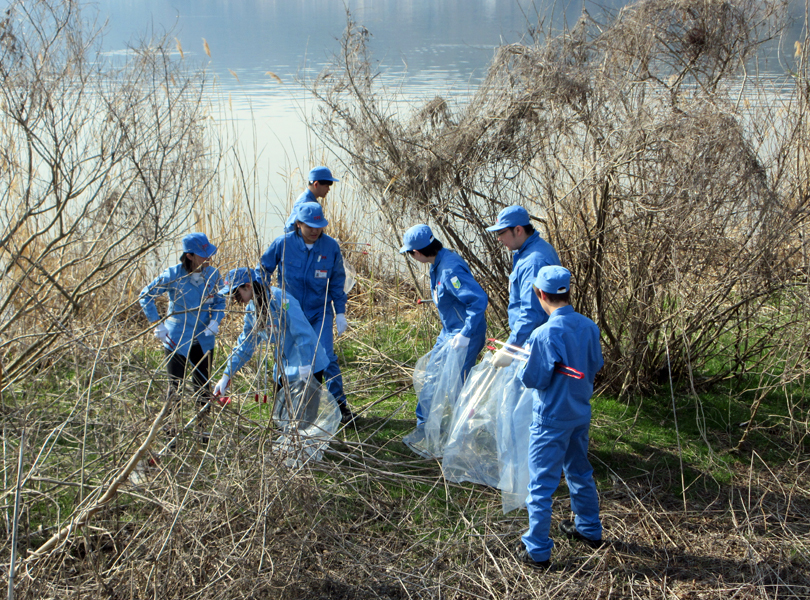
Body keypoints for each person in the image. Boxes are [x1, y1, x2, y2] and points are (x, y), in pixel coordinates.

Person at [515, 266, 604, 569]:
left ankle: (537, 550)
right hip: (579, 413)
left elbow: (532, 379)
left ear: (540, 295)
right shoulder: (589, 327)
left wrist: (522, 362)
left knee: (541, 484)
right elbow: (594, 364)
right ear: (568, 292)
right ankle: (589, 529)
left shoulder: (543, 333)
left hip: (551, 419)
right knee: (579, 471)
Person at [261, 203, 354, 423]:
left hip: (318, 313)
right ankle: (281, 412)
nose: (315, 231)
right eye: (310, 226)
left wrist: (340, 312)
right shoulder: (282, 244)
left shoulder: (330, 247)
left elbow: (338, 280)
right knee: (285, 359)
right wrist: (264, 301)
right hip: (289, 314)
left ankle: (332, 408)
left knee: (322, 358)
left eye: (319, 226)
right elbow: (262, 270)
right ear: (299, 224)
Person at [399, 224, 488, 428]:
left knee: (458, 384)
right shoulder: (438, 263)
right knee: (431, 376)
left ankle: (464, 432)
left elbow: (478, 300)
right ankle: (425, 425)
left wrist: (466, 333)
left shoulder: (450, 270)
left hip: (465, 334)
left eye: (410, 254)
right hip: (448, 331)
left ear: (417, 252)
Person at [139, 233, 225, 440]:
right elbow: (145, 295)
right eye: (203, 255)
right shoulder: (173, 275)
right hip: (177, 339)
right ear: (189, 256)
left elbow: (220, 301)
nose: (208, 259)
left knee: (203, 387)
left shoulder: (213, 275)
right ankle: (171, 433)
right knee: (174, 388)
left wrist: (216, 321)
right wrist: (157, 324)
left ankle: (203, 432)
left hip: (203, 339)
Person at [212, 267, 330, 399]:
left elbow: (302, 333)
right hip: (284, 369)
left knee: (304, 416)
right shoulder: (252, 311)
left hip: (308, 364)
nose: (235, 298)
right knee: (281, 415)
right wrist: (227, 375)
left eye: (236, 293)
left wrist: (306, 365)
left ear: (248, 286)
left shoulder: (281, 300)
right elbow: (245, 345)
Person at [485, 205, 561, 368]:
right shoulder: (525, 254)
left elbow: (531, 312)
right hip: (529, 341)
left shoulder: (533, 261)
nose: (498, 239)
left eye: (501, 233)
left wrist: (510, 348)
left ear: (518, 230)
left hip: (534, 345)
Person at [283, 166, 339, 233]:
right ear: (316, 184)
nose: (328, 189)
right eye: (326, 186)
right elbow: (289, 228)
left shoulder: (310, 199)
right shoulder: (305, 202)